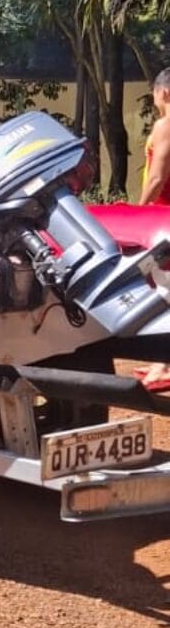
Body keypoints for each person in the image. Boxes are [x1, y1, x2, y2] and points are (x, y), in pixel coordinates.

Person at [134, 68, 170, 390]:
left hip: (162, 221)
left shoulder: (165, 124)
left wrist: (138, 213)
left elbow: (157, 177)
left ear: (164, 93)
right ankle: (161, 362)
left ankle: (162, 365)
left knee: (161, 288)